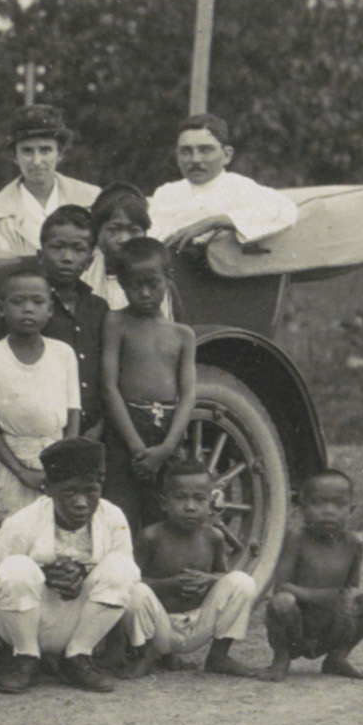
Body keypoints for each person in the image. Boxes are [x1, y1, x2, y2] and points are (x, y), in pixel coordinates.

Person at [0, 437, 138, 694]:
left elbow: (126, 583)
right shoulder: (23, 521)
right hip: (27, 622)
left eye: (90, 491)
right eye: (69, 492)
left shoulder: (112, 517)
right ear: (48, 490)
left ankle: (78, 658)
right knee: (15, 566)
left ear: (100, 488)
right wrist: (41, 576)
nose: (81, 502)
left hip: (81, 624)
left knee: (123, 567)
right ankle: (25, 659)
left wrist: (84, 574)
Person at [120, 460, 265, 679]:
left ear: (210, 503)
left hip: (198, 624)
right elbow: (131, 583)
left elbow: (221, 575)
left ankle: (219, 656)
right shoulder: (151, 537)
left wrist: (209, 580)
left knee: (241, 581)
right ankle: (147, 655)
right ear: (164, 503)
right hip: (159, 627)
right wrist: (169, 585)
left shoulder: (213, 537)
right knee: (136, 592)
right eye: (180, 498)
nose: (190, 507)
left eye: (199, 499)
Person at [98, 235, 197, 532]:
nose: (144, 293)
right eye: (134, 285)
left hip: (168, 429)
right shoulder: (116, 322)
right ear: (121, 283)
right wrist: (137, 447)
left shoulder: (183, 335)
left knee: (166, 516)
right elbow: (109, 386)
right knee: (121, 514)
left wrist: (166, 448)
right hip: (126, 428)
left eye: (153, 284)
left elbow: (188, 394)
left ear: (168, 279)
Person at [0, 269, 80, 517]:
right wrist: (21, 472)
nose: (28, 309)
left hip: (59, 460)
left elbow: (73, 411)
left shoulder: (63, 353)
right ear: (2, 309)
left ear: (50, 310)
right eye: (18, 302)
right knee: (18, 527)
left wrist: (65, 461)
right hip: (15, 462)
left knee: (60, 525)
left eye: (37, 302)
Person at [262, 470, 363, 681]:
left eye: (339, 505)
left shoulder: (354, 543)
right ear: (302, 507)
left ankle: (338, 657)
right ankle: (281, 659)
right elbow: (281, 587)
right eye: (318, 504)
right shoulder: (296, 538)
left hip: (333, 625)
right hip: (298, 625)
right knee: (282, 602)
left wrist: (346, 600)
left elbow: (351, 587)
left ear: (351, 509)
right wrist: (326, 596)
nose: (328, 511)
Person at [147, 113, 299, 252]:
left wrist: (215, 222)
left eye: (205, 150)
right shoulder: (166, 192)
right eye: (186, 151)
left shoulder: (239, 187)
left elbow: (286, 211)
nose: (195, 159)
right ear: (177, 156)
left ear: (226, 155)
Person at [0, 105, 101, 254]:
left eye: (45, 150)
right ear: (15, 156)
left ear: (59, 154)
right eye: (27, 151)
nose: (36, 161)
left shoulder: (91, 200)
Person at [34, 205, 106, 439]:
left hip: (94, 430)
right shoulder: (29, 309)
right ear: (41, 254)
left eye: (78, 249)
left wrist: (101, 426)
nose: (67, 257)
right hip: (44, 429)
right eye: (57, 247)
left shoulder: (99, 308)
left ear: (90, 260)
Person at [86, 184, 171, 316]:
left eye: (134, 230)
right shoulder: (85, 276)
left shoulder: (159, 282)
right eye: (114, 230)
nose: (124, 239)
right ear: (98, 233)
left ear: (145, 233)